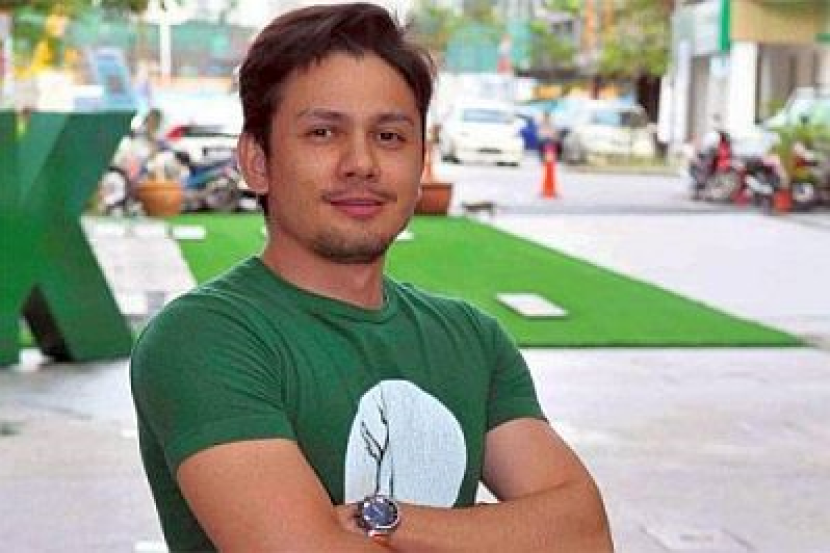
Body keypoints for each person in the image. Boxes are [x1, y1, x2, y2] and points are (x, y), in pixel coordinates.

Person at [130, 3, 613, 552]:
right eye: (323, 132)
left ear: (421, 161)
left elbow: (585, 535)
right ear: (257, 161)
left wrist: (382, 521)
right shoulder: (204, 340)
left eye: (389, 136)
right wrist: (496, 534)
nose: (360, 162)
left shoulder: (471, 341)